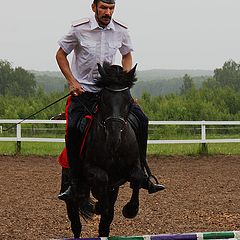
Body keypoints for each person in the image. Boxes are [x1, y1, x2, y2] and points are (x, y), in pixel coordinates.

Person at [56, 0, 165, 201]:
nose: (108, 12)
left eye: (111, 8)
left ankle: (143, 172)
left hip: (112, 91)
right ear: (94, 7)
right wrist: (72, 82)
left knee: (142, 119)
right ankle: (76, 182)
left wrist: (124, 81)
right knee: (73, 128)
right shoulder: (79, 29)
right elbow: (61, 55)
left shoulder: (121, 30)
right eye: (104, 8)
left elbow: (127, 56)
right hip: (84, 92)